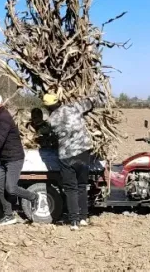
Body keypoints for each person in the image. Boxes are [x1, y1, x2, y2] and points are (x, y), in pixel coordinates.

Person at [42, 93, 104, 231]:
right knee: (82, 185)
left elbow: (49, 135)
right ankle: (83, 218)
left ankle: (74, 222)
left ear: (47, 107)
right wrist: (97, 96)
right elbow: (90, 102)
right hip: (83, 152)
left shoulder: (51, 120)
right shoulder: (73, 108)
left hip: (66, 156)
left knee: (71, 189)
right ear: (58, 101)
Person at [0, 93, 40, 225]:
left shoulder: (3, 118)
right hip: (5, 158)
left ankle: (33, 197)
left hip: (14, 158)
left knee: (11, 188)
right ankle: (9, 215)